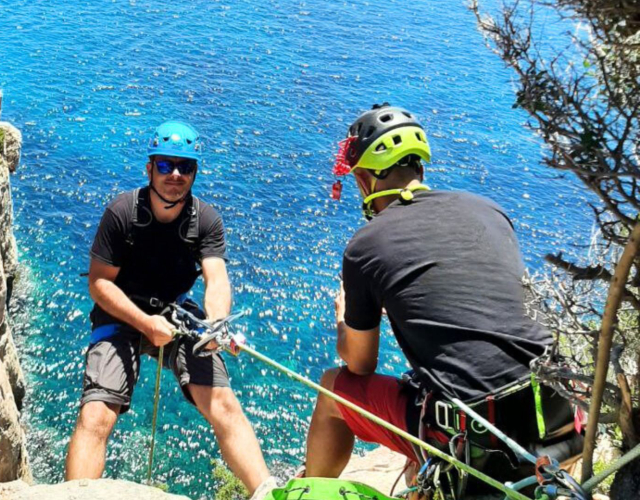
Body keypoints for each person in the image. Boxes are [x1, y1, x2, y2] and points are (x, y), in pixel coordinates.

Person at [304, 104, 577, 493]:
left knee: (333, 388)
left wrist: (343, 319)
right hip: (559, 416)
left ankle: (310, 490)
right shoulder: (489, 210)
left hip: (481, 438)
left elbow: (360, 364)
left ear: (363, 180)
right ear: (420, 167)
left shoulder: (365, 246)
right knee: (425, 391)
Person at [65, 120, 271, 495]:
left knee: (223, 404)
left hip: (176, 315)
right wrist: (145, 323)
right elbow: (99, 283)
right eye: (165, 165)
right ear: (149, 168)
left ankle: (267, 493)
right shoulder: (122, 213)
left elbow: (216, 278)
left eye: (185, 166)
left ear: (194, 172)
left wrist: (217, 324)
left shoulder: (205, 220)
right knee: (96, 416)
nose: (175, 174)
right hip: (122, 312)